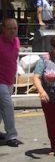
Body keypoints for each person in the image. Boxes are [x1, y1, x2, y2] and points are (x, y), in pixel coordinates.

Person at [0, 18, 22, 147]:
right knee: (8, 106)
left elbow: (13, 60)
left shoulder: (17, 41)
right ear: (3, 29)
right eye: (10, 28)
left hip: (9, 80)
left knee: (0, 108)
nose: (13, 31)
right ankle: (11, 136)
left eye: (15, 28)